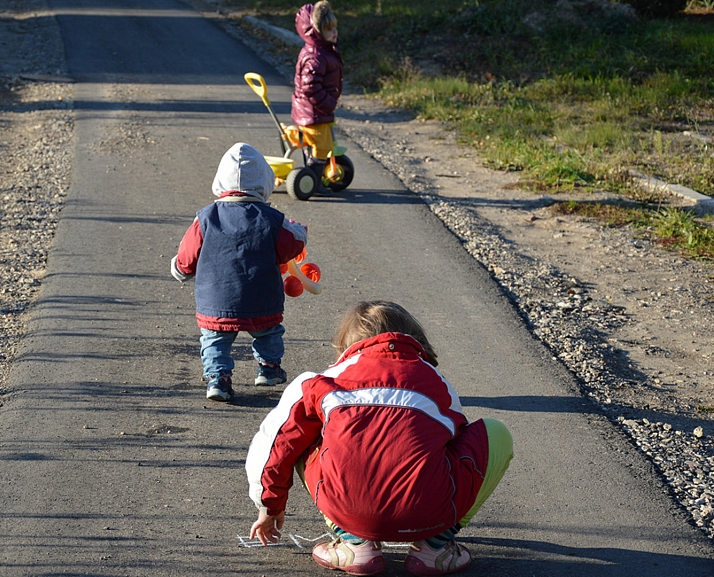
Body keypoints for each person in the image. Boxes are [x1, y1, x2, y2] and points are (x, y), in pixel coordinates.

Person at [246, 301, 514, 576]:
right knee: (495, 432)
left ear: (348, 344)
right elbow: (456, 440)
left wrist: (269, 505)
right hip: (428, 510)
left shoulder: (322, 381)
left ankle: (354, 542)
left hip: (348, 506)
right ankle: (436, 545)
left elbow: (273, 444)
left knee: (300, 433)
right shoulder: (436, 380)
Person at [171, 143, 307, 402]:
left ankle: (218, 379)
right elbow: (292, 245)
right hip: (261, 297)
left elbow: (187, 257)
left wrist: (179, 269)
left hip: (217, 300)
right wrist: (300, 231)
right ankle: (269, 368)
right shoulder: (272, 219)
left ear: (220, 181)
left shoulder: (206, 217)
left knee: (215, 339)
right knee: (268, 331)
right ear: (265, 181)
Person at [292, 1, 343, 196]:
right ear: (316, 32)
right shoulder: (315, 56)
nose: (334, 32)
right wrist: (329, 104)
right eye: (329, 29)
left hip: (314, 111)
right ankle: (314, 182)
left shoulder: (323, 51)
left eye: (335, 27)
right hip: (314, 112)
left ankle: (314, 172)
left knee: (318, 144)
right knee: (322, 146)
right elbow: (310, 87)